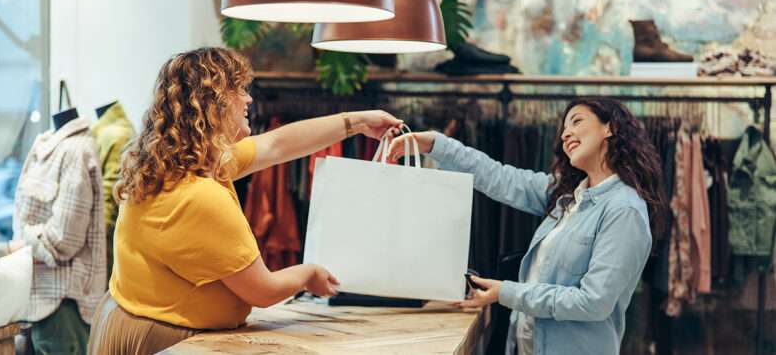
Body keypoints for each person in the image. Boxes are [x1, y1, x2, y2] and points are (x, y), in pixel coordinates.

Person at [87, 47, 402, 354]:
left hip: (131, 321)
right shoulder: (200, 195)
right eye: (238, 89)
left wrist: (357, 123)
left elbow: (278, 144)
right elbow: (262, 291)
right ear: (213, 104)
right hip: (167, 342)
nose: (249, 98)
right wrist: (308, 274)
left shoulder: (178, 166)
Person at [390, 98, 667, 355]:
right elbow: (498, 177)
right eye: (564, 127)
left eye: (577, 121)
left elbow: (594, 302)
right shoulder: (569, 195)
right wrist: (437, 145)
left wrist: (506, 292)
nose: (565, 133)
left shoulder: (624, 210)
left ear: (611, 127)